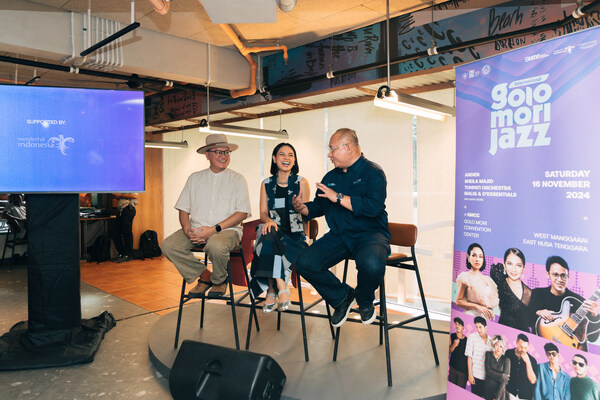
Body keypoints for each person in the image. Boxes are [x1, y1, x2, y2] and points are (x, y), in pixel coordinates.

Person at [293, 128, 390, 327]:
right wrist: (303, 208)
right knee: (305, 263)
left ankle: (364, 301)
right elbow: (319, 206)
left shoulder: (373, 172)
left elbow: (372, 208)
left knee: (371, 264)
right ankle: (343, 297)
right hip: (339, 236)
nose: (329, 154)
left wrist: (336, 196)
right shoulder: (330, 176)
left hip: (370, 234)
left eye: (332, 149)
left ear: (347, 148)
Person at [161, 134, 251, 298]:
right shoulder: (195, 178)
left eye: (226, 152)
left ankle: (219, 280)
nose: (223, 156)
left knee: (215, 246)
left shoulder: (237, 179)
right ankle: (205, 276)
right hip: (196, 230)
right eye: (218, 152)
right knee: (168, 245)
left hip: (226, 231)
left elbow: (242, 213)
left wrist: (212, 230)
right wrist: (187, 229)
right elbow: (183, 209)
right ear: (207, 155)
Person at [248, 143, 310, 313]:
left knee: (268, 241)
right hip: (273, 231)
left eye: (290, 155)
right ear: (274, 159)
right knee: (268, 232)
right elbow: (262, 213)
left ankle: (271, 290)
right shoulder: (266, 184)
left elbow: (306, 213)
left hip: (295, 237)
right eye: (282, 154)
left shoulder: (301, 182)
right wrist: (269, 221)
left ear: (294, 159)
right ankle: (281, 286)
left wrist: (300, 207)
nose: (286, 158)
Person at [528, 256, 600, 348]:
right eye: (555, 274)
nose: (560, 279)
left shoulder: (579, 302)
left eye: (563, 275)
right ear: (548, 274)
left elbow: (592, 338)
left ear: (568, 276)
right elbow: (527, 321)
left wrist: (594, 315)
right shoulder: (537, 294)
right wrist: (539, 312)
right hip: (540, 347)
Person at [490, 248, 532, 331]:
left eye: (518, 265)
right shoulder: (499, 280)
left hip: (520, 335)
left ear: (523, 268)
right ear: (504, 265)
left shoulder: (529, 293)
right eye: (510, 264)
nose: (514, 269)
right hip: (501, 330)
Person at [456, 243, 499, 320]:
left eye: (480, 256)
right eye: (474, 255)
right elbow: (458, 301)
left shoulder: (487, 280)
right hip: (471, 316)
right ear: (468, 258)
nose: (477, 259)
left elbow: (487, 302)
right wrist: (476, 306)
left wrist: (490, 309)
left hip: (484, 318)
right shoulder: (465, 277)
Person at [466, 316, 493, 397]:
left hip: (488, 378)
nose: (478, 330)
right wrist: (470, 375)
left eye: (480, 327)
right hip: (476, 376)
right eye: (476, 327)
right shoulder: (472, 337)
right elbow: (469, 357)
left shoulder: (491, 341)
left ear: (486, 327)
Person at [506, 334, 538, 400]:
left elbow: (533, 380)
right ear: (516, 343)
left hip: (525, 395)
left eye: (525, 348)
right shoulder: (508, 353)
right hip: (511, 392)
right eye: (521, 346)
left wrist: (528, 362)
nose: (523, 349)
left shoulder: (532, 360)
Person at [111, 193, 138, 263]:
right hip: (121, 210)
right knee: (115, 233)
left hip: (128, 209)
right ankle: (122, 253)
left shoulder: (131, 183)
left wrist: (120, 195)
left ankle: (128, 255)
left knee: (127, 232)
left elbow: (135, 196)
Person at [484, 335, 511, 400]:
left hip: (500, 393)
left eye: (501, 346)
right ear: (494, 345)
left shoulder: (506, 360)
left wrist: (497, 397)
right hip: (488, 391)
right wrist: (502, 376)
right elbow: (488, 371)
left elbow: (505, 381)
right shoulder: (488, 355)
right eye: (497, 345)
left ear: (503, 348)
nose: (498, 348)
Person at [449, 317, 469, 388]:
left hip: (462, 372)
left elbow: (469, 357)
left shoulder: (467, 340)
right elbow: (449, 351)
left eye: (459, 325)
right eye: (456, 324)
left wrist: (468, 374)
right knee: (451, 388)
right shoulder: (452, 336)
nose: (457, 326)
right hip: (453, 369)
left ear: (463, 327)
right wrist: (454, 345)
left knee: (460, 391)